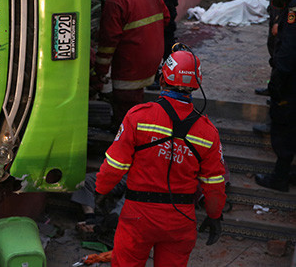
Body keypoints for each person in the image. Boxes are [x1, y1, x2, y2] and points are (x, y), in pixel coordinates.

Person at [95, 48, 226, 266]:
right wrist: (214, 215)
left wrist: (100, 191)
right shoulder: (208, 132)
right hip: (180, 220)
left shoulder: (139, 116)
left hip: (138, 216)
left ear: (163, 78)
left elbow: (114, 166)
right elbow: (214, 184)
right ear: (197, 84)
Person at [91, 0, 170, 125]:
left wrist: (100, 73)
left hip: (131, 61)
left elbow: (108, 43)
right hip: (153, 56)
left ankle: (127, 136)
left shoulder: (115, 1)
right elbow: (166, 19)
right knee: (137, 93)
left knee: (125, 101)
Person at [255, 0, 296, 192]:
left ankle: (279, 177)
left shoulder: (293, 10)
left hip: (290, 81)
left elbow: (288, 49)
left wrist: (277, 80)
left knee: (284, 127)